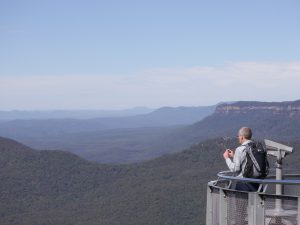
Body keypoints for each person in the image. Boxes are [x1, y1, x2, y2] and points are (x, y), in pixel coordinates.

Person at [223, 127, 259, 191]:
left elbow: (235, 169)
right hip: (257, 184)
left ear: (242, 137)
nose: (238, 138)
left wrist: (227, 158)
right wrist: (234, 156)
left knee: (241, 201)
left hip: (244, 184)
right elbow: (248, 161)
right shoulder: (256, 147)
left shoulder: (240, 149)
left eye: (238, 136)